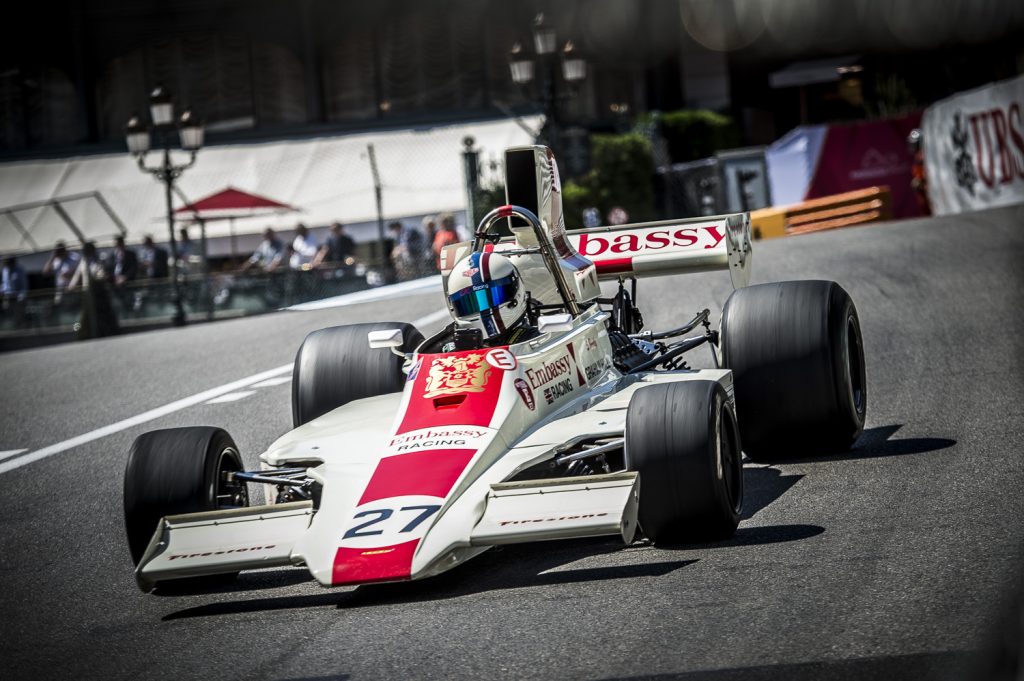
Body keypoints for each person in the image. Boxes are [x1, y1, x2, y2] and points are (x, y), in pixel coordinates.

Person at [445, 251, 536, 347]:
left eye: (493, 296)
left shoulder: (540, 338)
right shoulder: (450, 354)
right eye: (471, 304)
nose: (483, 309)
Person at [67, 241, 119, 337]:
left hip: (98, 293)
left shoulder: (98, 260)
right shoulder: (83, 261)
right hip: (87, 293)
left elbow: (101, 274)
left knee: (102, 315)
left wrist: (98, 278)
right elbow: (77, 275)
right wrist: (71, 286)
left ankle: (106, 332)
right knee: (87, 315)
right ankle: (87, 333)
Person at [1, 255, 28, 324]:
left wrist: (20, 298)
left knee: (18, 319)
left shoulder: (19, 270)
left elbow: (24, 287)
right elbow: (5, 285)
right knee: (7, 319)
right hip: (7, 298)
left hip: (17, 299)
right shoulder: (4, 270)